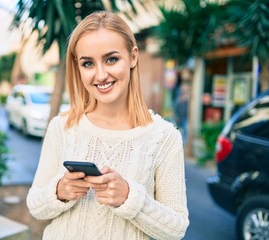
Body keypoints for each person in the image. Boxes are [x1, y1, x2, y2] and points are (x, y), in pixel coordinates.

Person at [27, 11, 189, 240]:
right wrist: (60, 191)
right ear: (78, 67)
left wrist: (130, 198)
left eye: (111, 59)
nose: (101, 75)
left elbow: (176, 229)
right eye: (88, 63)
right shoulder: (62, 127)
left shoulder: (164, 138)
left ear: (133, 57)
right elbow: (35, 206)